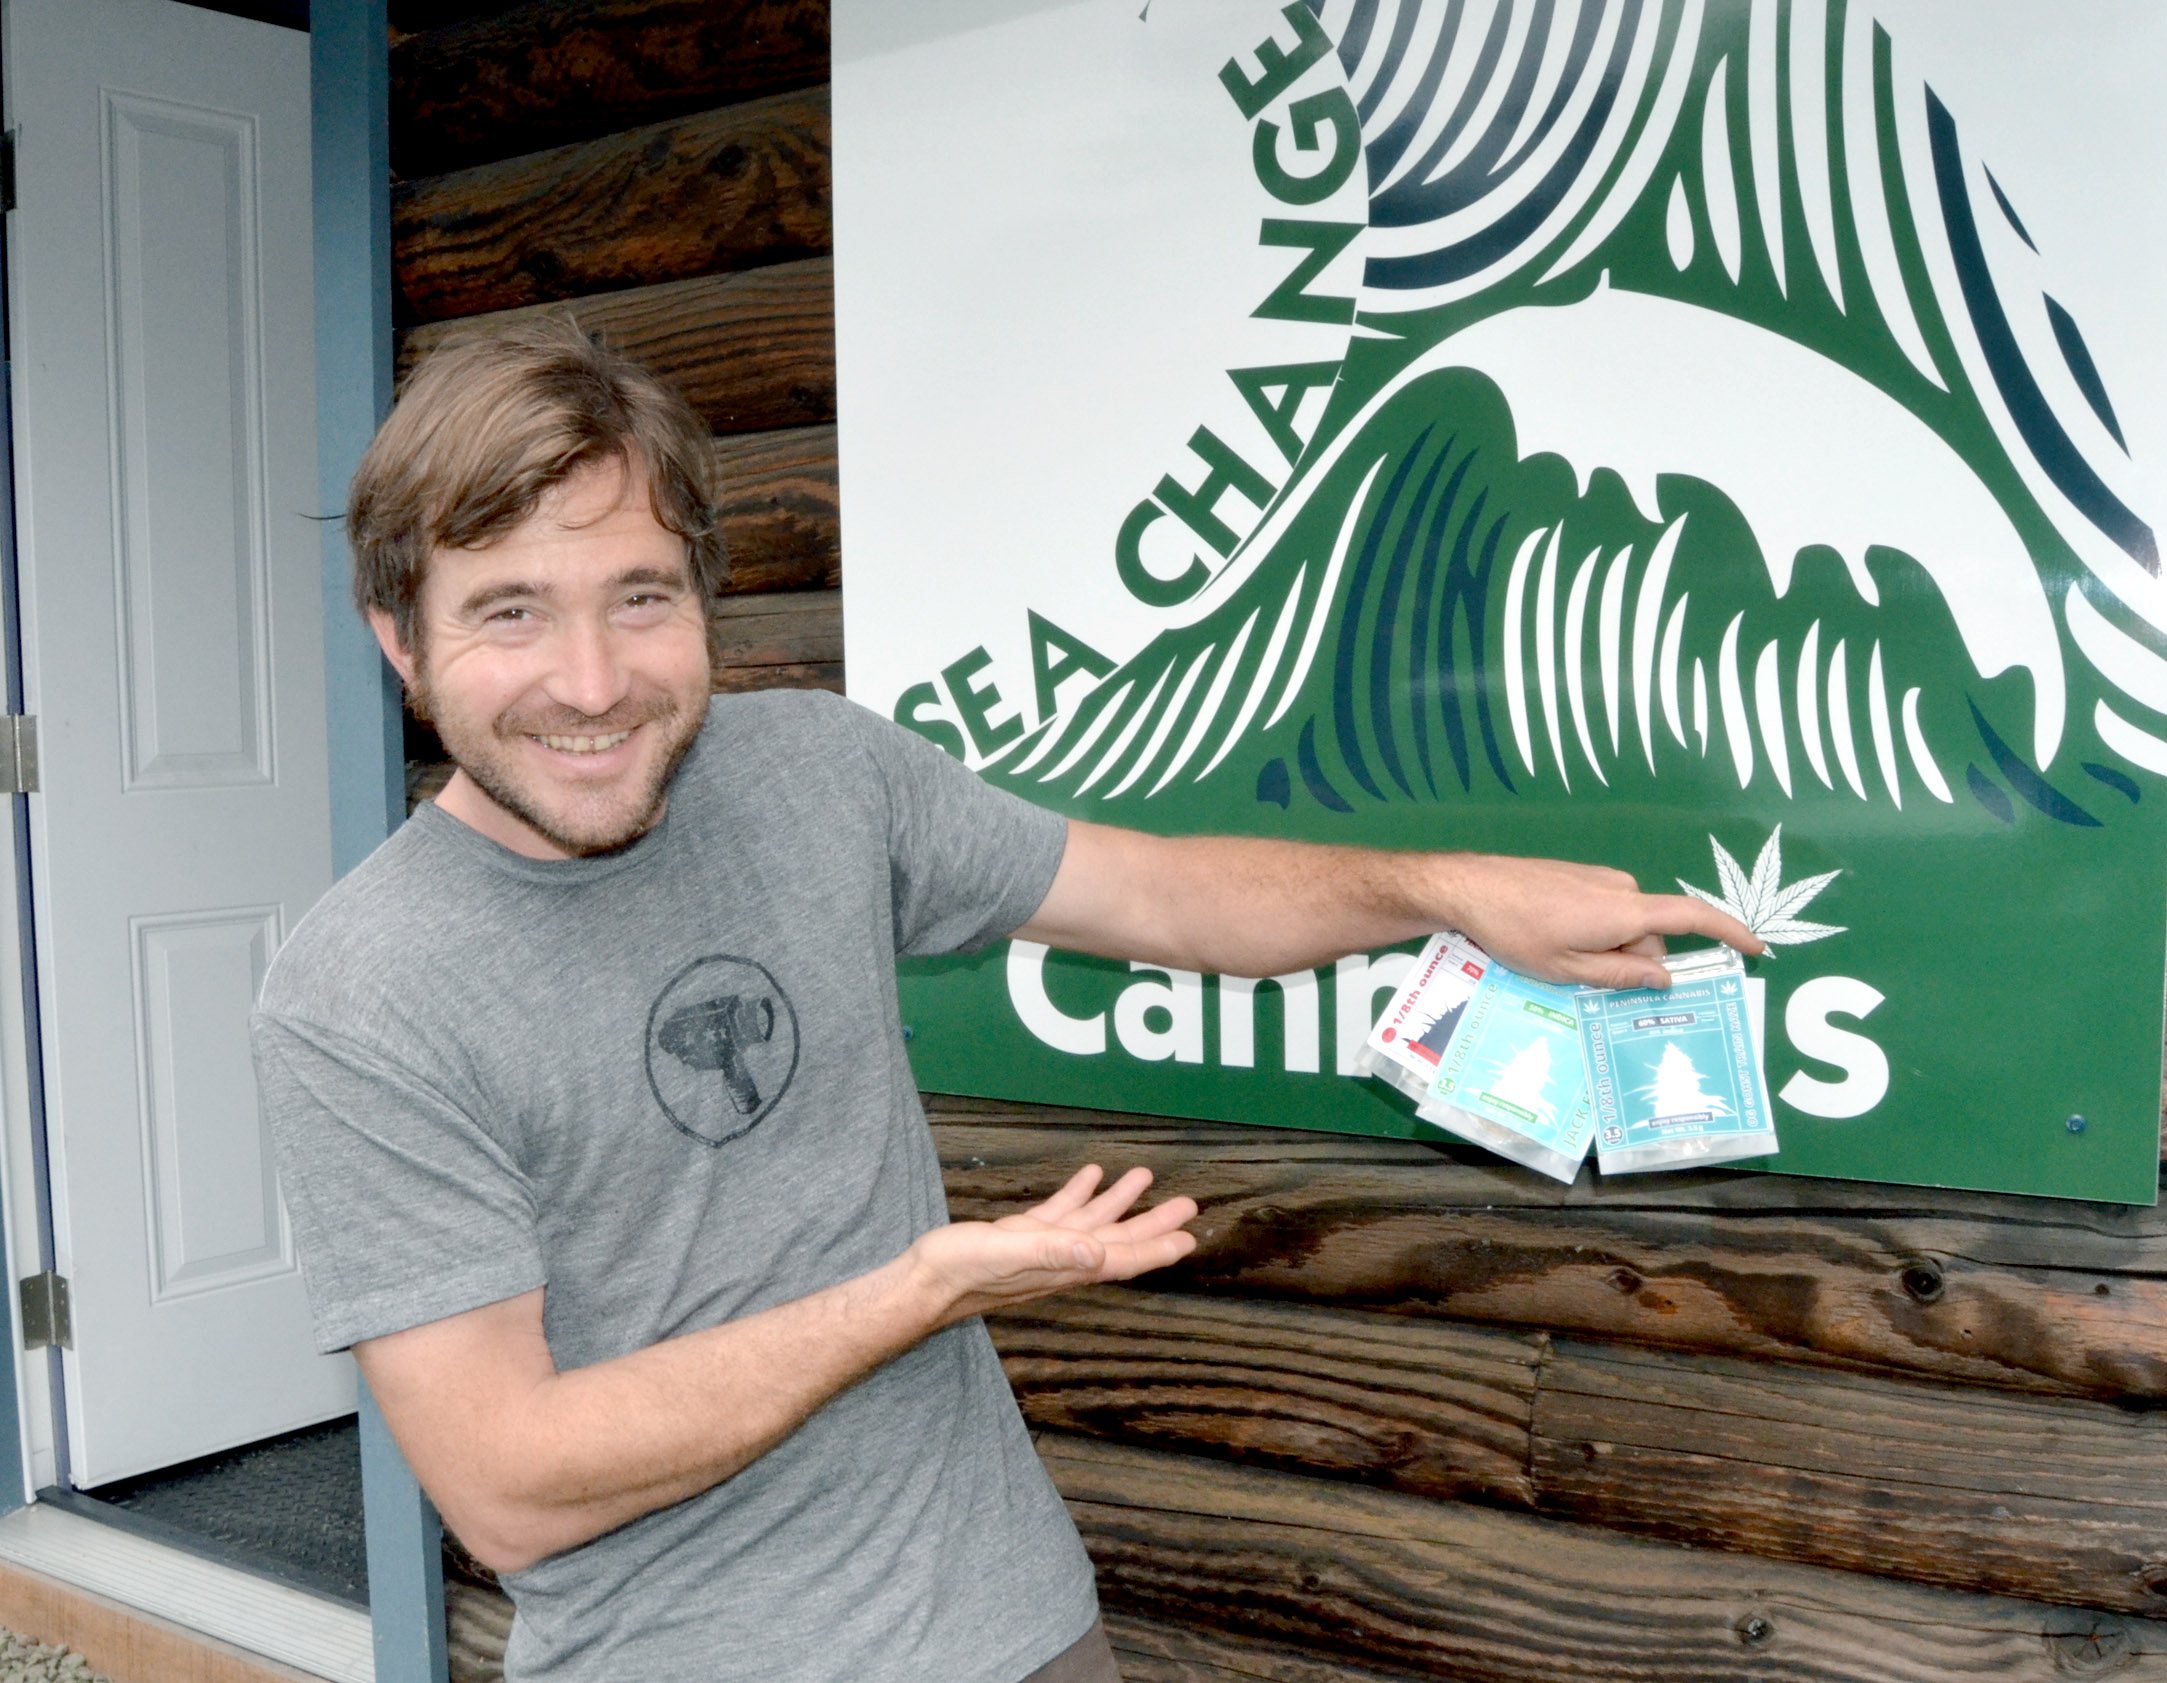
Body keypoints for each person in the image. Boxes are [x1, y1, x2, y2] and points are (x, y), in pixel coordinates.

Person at [251, 318, 1759, 1683]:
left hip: (1017, 1628)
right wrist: (922, 1289)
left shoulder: (820, 774)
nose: (590, 680)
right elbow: (509, 1477)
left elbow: (1166, 896)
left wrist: (1442, 889)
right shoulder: (359, 997)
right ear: (401, 638)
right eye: (509, 613)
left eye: (638, 596)